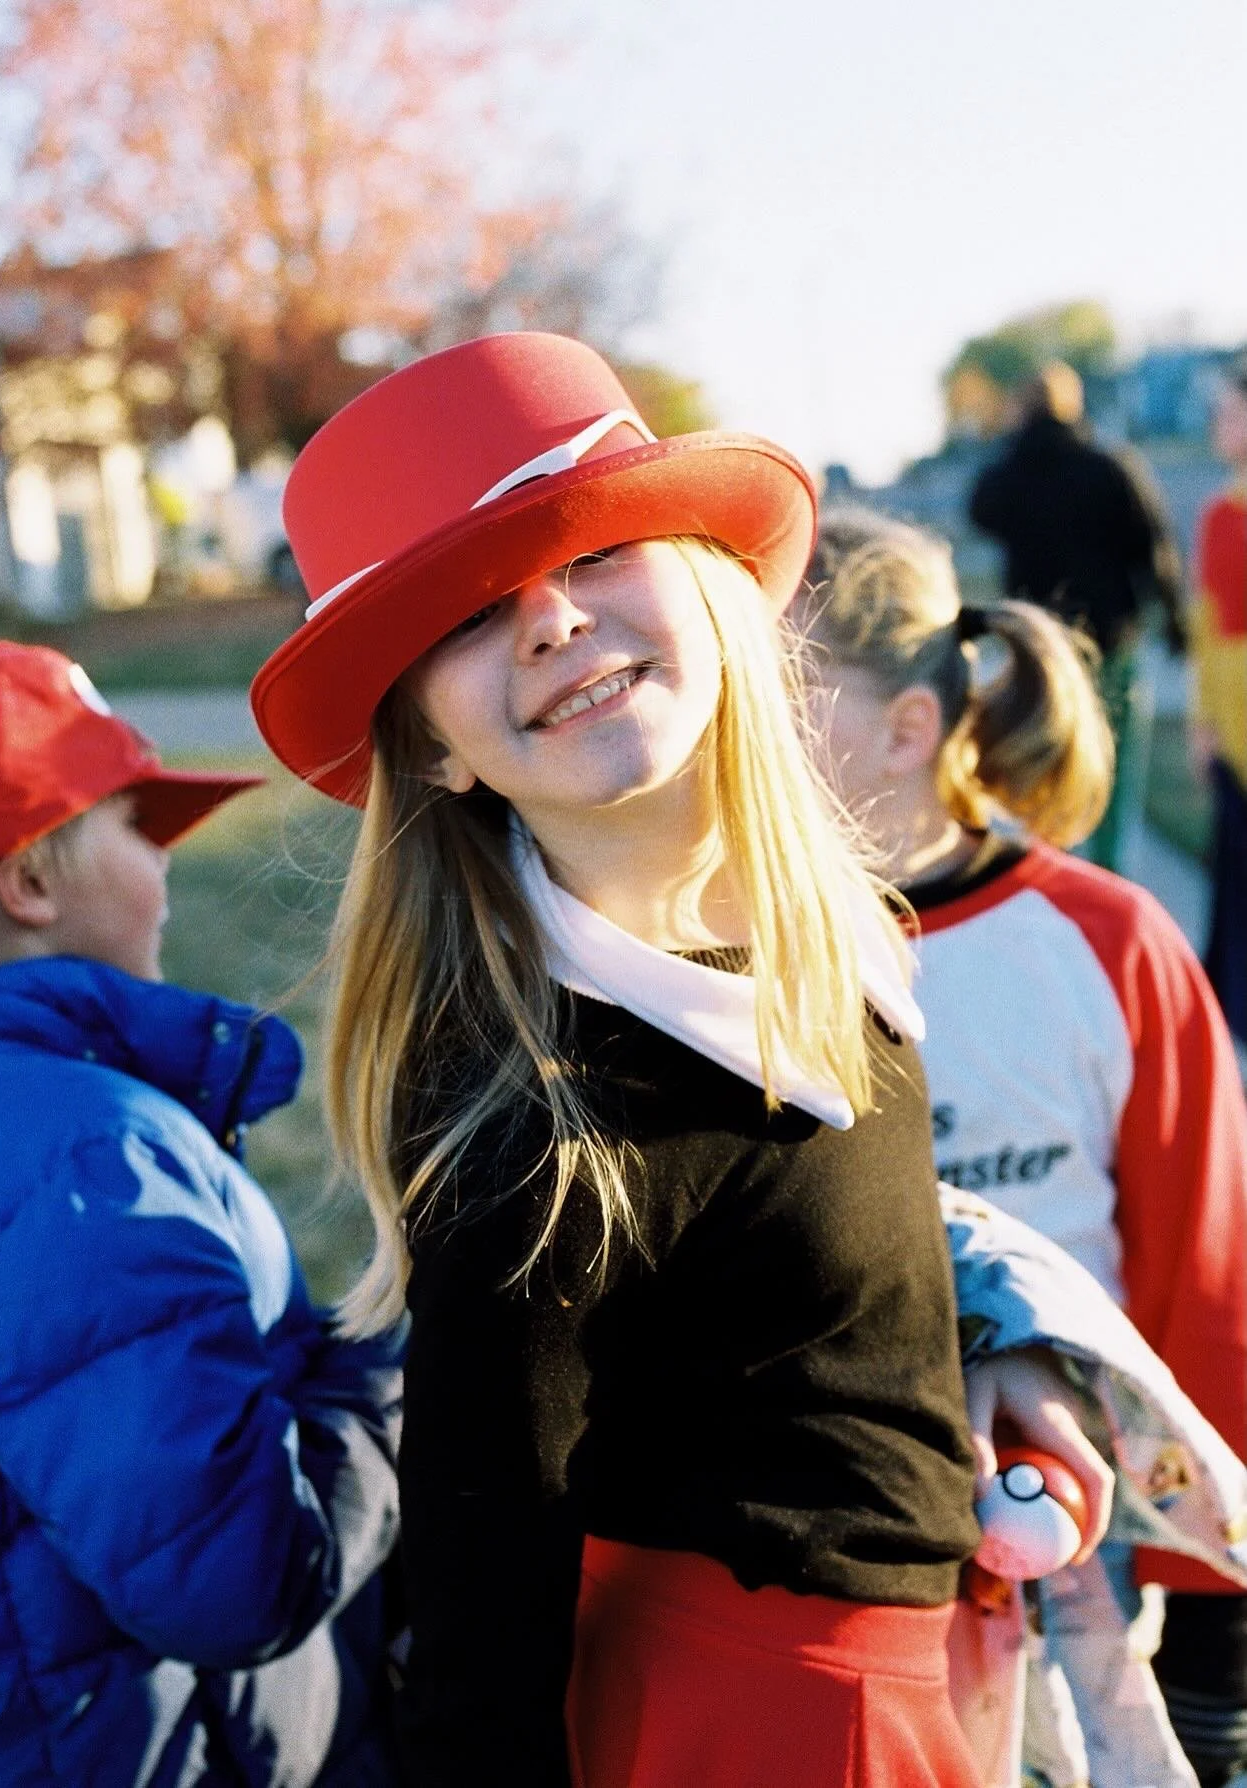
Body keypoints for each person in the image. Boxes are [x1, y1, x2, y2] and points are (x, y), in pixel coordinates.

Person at [247, 332, 1119, 1788]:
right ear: (436, 750)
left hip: (911, 1661)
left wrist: (977, 1348)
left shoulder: (830, 932)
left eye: (589, 553)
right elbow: (477, 1623)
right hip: (756, 1731)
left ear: (715, 593)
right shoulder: (538, 1126)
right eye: (466, 614)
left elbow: (806, 1241)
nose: (547, 621)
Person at [795, 508, 1247, 1788]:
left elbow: (1206, 1278)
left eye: (787, 693)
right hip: (843, 1532)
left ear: (908, 731)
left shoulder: (1108, 941)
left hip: (1077, 1534)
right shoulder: (735, 955)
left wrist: (1213, 1606)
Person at [0, 642, 403, 1787]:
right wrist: (384, 1365)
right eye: (141, 828)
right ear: (29, 880)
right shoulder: (85, 1161)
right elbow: (236, 1579)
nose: (168, 870)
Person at [968, 359, 1185, 876]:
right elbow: (1153, 546)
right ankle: (1110, 880)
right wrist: (1175, 619)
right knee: (1113, 767)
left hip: (1037, 652)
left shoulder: (1010, 477)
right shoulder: (1109, 467)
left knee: (1044, 768)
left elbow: (980, 510)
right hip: (1110, 643)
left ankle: (1051, 877)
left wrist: (1015, 446)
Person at [1188, 350, 1247, 1048]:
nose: (1219, 423)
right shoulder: (1216, 515)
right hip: (1232, 722)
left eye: (1231, 409)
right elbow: (1206, 625)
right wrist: (1203, 721)